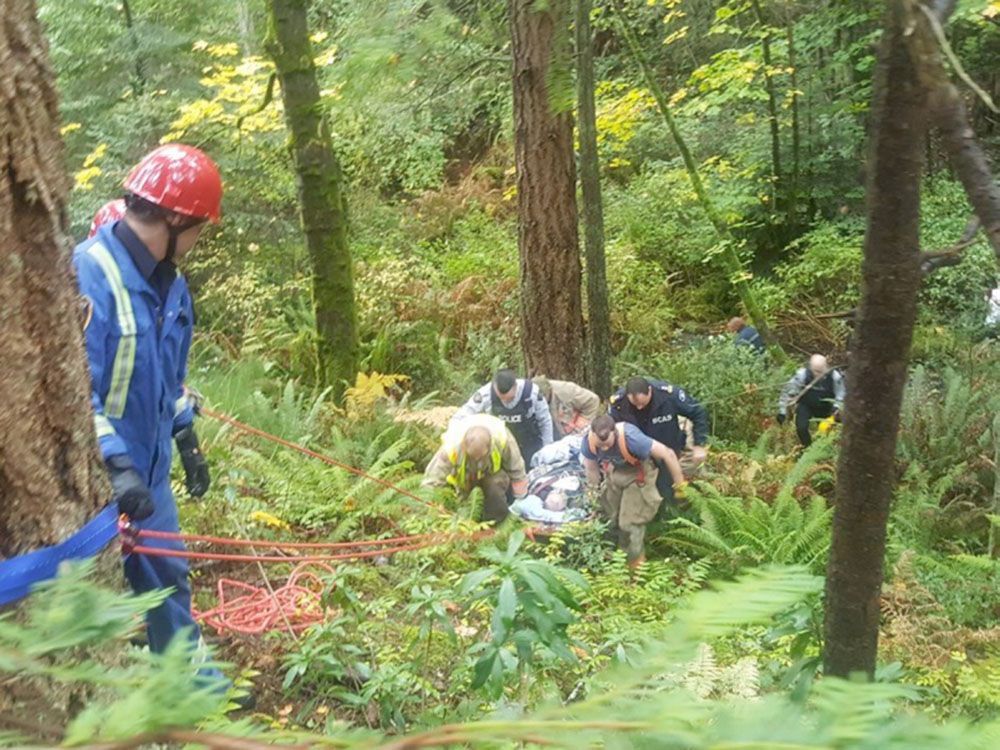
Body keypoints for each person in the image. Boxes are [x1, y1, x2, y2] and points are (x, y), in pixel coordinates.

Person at [73, 144, 231, 695]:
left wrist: (185, 434)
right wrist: (115, 464)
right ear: (173, 218)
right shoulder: (89, 275)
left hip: (152, 473)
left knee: (168, 579)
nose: (197, 243)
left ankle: (193, 689)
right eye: (198, 231)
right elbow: (74, 394)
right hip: (95, 479)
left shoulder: (172, 283)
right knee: (85, 597)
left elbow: (169, 377)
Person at [581, 415, 687, 566]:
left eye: (607, 444)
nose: (604, 448)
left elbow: (667, 453)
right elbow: (591, 470)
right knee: (607, 517)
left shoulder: (632, 438)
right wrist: (593, 500)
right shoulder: (588, 442)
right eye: (600, 445)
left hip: (639, 474)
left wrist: (680, 486)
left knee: (629, 523)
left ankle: (635, 566)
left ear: (614, 432)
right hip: (614, 473)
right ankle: (609, 560)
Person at [609, 376, 709, 501]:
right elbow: (611, 431)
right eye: (635, 405)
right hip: (639, 456)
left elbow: (698, 412)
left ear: (650, 391)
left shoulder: (668, 395)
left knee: (671, 491)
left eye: (642, 403)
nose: (639, 408)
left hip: (669, 447)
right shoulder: (618, 403)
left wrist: (699, 444)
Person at [422, 414, 528, 522]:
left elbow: (516, 469)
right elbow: (432, 479)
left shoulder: (503, 438)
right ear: (464, 445)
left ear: (489, 446)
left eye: (480, 457)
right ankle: (468, 522)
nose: (477, 460)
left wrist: (520, 500)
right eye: (473, 457)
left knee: (494, 484)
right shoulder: (451, 447)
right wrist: (426, 506)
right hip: (464, 480)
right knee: (466, 509)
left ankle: (497, 523)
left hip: (492, 475)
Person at [452, 368, 553, 465]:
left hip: (530, 444)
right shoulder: (486, 394)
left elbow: (545, 421)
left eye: (509, 399)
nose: (505, 402)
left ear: (515, 386)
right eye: (501, 398)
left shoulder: (531, 392)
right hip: (501, 446)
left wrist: (547, 450)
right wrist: (452, 443)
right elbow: (461, 415)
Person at [777, 354, 846, 447]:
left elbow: (841, 394)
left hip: (827, 407)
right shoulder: (802, 375)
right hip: (806, 405)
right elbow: (788, 392)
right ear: (811, 368)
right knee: (801, 428)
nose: (819, 374)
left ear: (826, 366)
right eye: (816, 371)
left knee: (828, 431)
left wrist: (836, 407)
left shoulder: (835, 376)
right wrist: (782, 411)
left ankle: (826, 449)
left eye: (821, 371)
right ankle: (807, 449)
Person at [533, 375, 601, 438]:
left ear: (547, 392)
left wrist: (581, 425)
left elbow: (593, 400)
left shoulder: (567, 390)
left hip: (576, 434)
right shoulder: (528, 398)